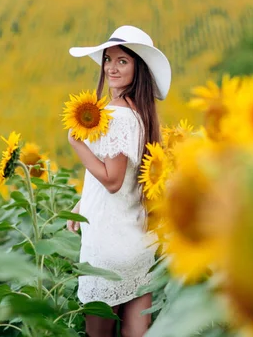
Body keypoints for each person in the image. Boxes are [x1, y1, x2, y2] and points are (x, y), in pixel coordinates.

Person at [65, 25, 172, 337]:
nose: (111, 67)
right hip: (137, 241)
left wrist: (77, 145)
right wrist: (84, 199)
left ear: (139, 68)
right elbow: (125, 178)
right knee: (137, 334)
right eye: (108, 59)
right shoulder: (142, 114)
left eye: (122, 61)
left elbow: (111, 180)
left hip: (107, 246)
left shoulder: (115, 116)